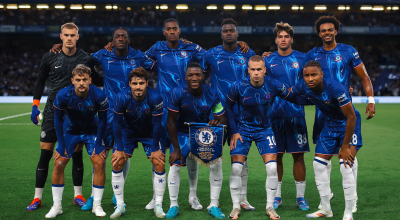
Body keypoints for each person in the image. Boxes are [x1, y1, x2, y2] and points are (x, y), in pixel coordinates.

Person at [50, 27, 156, 210]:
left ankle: (117, 194)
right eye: (117, 37)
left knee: (122, 152)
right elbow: (82, 58)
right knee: (100, 154)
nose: (120, 39)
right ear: (112, 40)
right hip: (107, 113)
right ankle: (93, 195)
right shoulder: (103, 55)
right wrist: (64, 47)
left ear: (129, 39)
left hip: (131, 114)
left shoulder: (139, 57)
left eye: (124, 36)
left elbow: (159, 63)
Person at [28, 22, 102, 211]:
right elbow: (40, 80)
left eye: (73, 35)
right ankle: (37, 198)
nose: (69, 38)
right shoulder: (50, 56)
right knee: (46, 155)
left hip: (76, 113)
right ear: (61, 37)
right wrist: (35, 106)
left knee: (76, 156)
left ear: (78, 36)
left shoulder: (86, 58)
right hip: (53, 111)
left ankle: (78, 195)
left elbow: (99, 79)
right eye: (66, 35)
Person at [306, 15, 375, 212]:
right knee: (322, 158)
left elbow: (364, 76)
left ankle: (352, 198)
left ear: (336, 31)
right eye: (323, 30)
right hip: (323, 114)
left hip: (345, 112)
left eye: (330, 30)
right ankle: (325, 200)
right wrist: (268, 55)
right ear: (319, 34)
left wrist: (371, 100)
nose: (327, 33)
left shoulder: (348, 51)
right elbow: (293, 60)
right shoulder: (313, 54)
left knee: (347, 159)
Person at [226, 55, 297, 220]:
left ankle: (270, 207)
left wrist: (314, 92)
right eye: (253, 69)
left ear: (264, 70)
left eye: (259, 69)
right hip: (242, 130)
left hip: (265, 130)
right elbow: (228, 107)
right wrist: (234, 131)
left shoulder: (273, 84)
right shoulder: (238, 86)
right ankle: (236, 207)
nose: (256, 73)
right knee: (236, 168)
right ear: (248, 70)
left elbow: (294, 97)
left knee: (272, 169)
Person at [290, 60, 362, 220]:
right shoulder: (303, 85)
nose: (309, 78)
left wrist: (344, 146)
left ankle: (348, 212)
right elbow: (289, 92)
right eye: (306, 75)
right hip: (330, 124)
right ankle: (326, 208)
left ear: (321, 75)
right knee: (318, 164)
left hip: (348, 123)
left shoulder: (336, 88)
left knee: (346, 165)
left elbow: (350, 117)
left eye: (313, 75)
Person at [201, 18, 256, 211]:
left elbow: (257, 76)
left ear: (237, 33)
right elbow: (197, 78)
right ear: (221, 34)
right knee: (215, 158)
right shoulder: (210, 55)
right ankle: (213, 202)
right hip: (217, 115)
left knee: (241, 159)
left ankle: (243, 198)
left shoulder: (249, 54)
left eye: (232, 30)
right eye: (225, 31)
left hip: (242, 115)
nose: (229, 33)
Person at [45, 65, 109, 218]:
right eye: (78, 80)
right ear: (72, 80)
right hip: (70, 131)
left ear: (90, 80)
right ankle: (57, 206)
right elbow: (58, 120)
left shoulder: (99, 95)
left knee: (99, 162)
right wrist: (60, 144)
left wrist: (99, 142)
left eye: (84, 80)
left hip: (91, 131)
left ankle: (97, 205)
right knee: (59, 163)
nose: (81, 83)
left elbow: (103, 121)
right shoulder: (63, 95)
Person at [166, 62, 227, 219]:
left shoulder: (212, 93)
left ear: (203, 76)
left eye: (197, 75)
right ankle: (174, 205)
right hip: (182, 132)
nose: (194, 78)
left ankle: (213, 204)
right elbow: (170, 122)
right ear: (186, 77)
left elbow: (222, 119)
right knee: (175, 165)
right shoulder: (177, 92)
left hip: (202, 132)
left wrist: (217, 121)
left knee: (216, 163)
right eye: (191, 75)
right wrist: (176, 149)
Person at [263, 22, 310, 211]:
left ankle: (300, 197)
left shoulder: (302, 58)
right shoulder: (267, 60)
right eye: (280, 37)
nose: (283, 39)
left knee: (298, 156)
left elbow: (311, 79)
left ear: (291, 39)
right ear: (276, 40)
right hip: (273, 115)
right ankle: (277, 197)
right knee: (277, 156)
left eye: (286, 37)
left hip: (296, 114)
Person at [110, 67, 166, 218]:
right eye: (135, 83)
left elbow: (157, 125)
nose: (138, 87)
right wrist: (119, 147)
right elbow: (116, 124)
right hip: (128, 132)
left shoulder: (155, 98)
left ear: (147, 83)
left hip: (150, 133)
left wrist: (155, 148)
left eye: (141, 83)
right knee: (117, 162)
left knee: (158, 162)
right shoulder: (122, 97)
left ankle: (158, 204)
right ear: (130, 84)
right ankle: (120, 205)